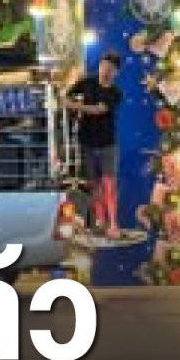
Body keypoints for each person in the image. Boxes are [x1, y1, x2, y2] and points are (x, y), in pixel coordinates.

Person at [64, 51, 123, 238]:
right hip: (86, 142)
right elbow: (66, 96)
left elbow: (99, 110)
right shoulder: (87, 82)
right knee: (94, 184)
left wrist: (76, 107)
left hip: (107, 144)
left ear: (116, 72)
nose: (105, 70)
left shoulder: (115, 93)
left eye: (110, 68)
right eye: (103, 66)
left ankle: (113, 224)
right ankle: (100, 221)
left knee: (109, 184)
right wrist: (70, 102)